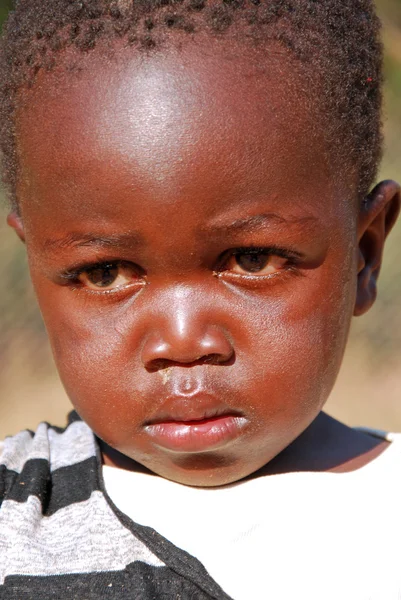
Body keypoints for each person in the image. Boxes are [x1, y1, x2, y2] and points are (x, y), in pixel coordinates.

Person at [0, 0, 400, 598]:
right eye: (105, 272)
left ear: (364, 255)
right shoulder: (18, 516)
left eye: (252, 260)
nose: (183, 342)